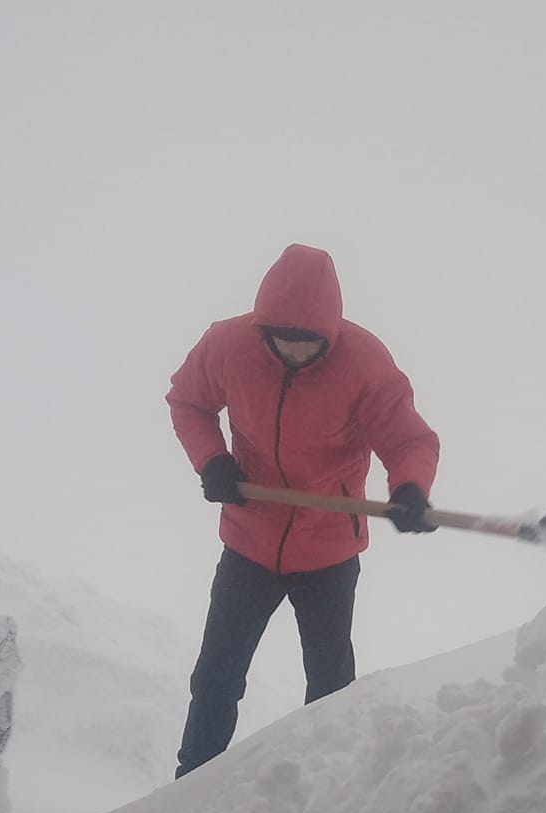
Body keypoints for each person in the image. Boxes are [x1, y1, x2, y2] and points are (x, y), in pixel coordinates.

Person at [167, 243, 440, 778]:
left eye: (308, 344)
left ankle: (329, 790)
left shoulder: (364, 361)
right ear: (262, 327)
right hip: (249, 537)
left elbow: (408, 438)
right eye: (282, 341)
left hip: (330, 547)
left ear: (329, 334)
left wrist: (410, 488)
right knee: (217, 675)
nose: (294, 353)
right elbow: (188, 402)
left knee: (331, 682)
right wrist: (212, 461)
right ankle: (191, 781)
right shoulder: (226, 345)